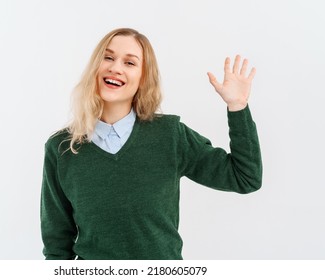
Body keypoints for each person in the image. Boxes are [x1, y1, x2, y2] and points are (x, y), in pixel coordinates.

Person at [40, 28, 262, 260]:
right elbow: (57, 246)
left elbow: (246, 177)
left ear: (143, 77)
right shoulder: (61, 149)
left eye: (129, 62)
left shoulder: (170, 135)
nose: (115, 68)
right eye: (108, 57)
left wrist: (238, 106)